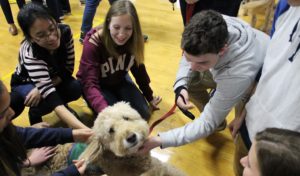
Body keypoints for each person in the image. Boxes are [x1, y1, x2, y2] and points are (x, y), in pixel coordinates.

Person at [138, 10, 269, 152]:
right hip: (231, 65)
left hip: (254, 84)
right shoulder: (212, 24)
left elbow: (207, 123)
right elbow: (189, 56)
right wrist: (180, 85)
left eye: (202, 62)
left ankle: (222, 118)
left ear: (222, 50)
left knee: (240, 129)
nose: (193, 67)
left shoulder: (238, 74)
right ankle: (218, 120)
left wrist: (159, 140)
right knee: (191, 79)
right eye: (190, 59)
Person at [229, 0, 300, 175]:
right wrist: (244, 111)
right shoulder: (286, 5)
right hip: (252, 125)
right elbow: (271, 64)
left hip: (287, 155)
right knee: (241, 167)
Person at [77, 0, 161, 121]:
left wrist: (149, 96)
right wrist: (104, 110)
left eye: (128, 28)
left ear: (134, 28)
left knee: (143, 113)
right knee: (116, 118)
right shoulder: (93, 43)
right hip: (97, 84)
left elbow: (139, 69)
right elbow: (89, 83)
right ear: (108, 24)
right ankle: (90, 100)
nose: (121, 34)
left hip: (118, 77)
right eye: (116, 27)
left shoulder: (134, 40)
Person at [10, 3, 88, 129]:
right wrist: (82, 129)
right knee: (41, 101)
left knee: (75, 87)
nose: (51, 37)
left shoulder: (65, 32)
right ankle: (35, 118)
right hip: (26, 82)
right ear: (30, 38)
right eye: (41, 35)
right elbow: (52, 98)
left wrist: (43, 88)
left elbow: (68, 70)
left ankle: (64, 110)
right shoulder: (31, 54)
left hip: (51, 77)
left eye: (52, 28)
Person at [0, 80, 92, 175]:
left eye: (9, 106)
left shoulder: (7, 130)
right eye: (3, 113)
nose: (12, 113)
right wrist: (70, 173)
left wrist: (72, 134)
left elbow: (21, 134)